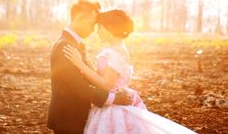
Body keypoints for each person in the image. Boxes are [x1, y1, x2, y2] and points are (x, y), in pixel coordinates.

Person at [63, 9, 196, 134]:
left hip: (113, 108)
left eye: (100, 28)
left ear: (108, 30)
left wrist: (80, 65)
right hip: (114, 101)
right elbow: (107, 77)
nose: (97, 32)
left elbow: (106, 84)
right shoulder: (119, 49)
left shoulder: (114, 52)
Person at [47, 0, 132, 134]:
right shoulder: (65, 46)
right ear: (79, 18)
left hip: (77, 116)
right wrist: (112, 98)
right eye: (92, 24)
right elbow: (77, 85)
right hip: (68, 118)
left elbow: (91, 77)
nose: (93, 30)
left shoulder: (75, 44)